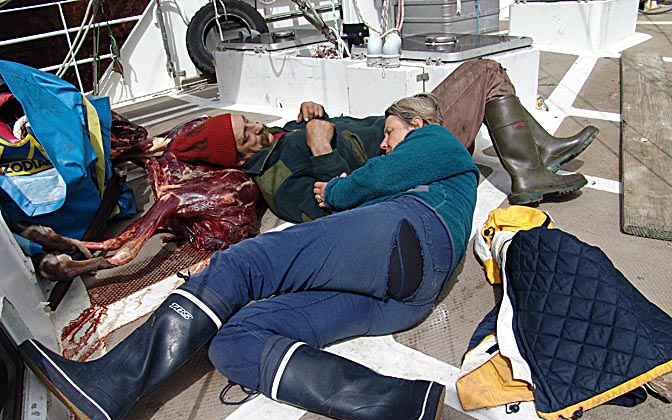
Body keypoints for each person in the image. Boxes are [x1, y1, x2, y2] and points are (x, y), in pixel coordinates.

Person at [19, 93, 479, 420]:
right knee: (235, 343)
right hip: (405, 296)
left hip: (407, 233)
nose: (384, 142)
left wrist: (336, 188)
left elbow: (360, 188)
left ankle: (111, 383)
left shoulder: (435, 139)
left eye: (391, 132)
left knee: (242, 263)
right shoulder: (430, 160)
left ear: (416, 124)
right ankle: (398, 406)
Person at [172, 58, 597, 223]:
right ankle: (528, 170)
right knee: (486, 73)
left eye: (246, 120)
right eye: (245, 134)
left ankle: (540, 151)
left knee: (486, 75)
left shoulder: (279, 136)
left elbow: (331, 133)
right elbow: (334, 206)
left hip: (409, 124)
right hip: (419, 143)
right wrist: (321, 150)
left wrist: (315, 115)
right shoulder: (277, 182)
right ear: (237, 157)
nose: (255, 128)